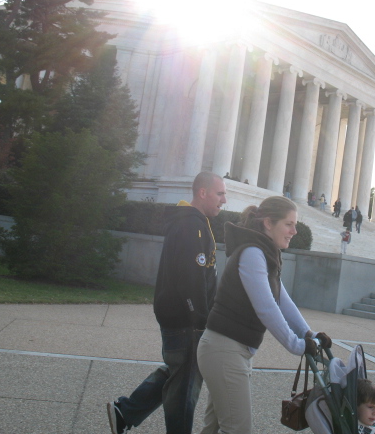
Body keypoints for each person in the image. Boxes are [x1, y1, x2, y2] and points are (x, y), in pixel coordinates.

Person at [197, 196, 332, 434]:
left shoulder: (264, 252)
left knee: (213, 428)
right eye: (289, 224)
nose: (294, 230)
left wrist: (308, 333)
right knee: (238, 429)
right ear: (268, 223)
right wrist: (297, 345)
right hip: (225, 351)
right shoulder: (252, 253)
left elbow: (282, 299)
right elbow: (267, 307)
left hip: (230, 351)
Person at [106, 172, 227, 434]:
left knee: (178, 372)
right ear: (203, 192)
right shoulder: (190, 225)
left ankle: (125, 412)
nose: (224, 200)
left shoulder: (192, 223)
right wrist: (200, 320)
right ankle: (128, 413)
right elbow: (191, 279)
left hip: (180, 317)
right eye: (220, 193)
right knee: (184, 390)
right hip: (187, 320)